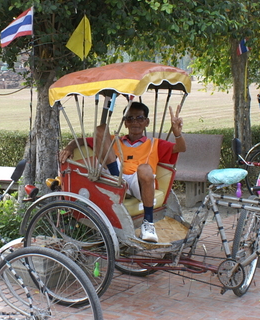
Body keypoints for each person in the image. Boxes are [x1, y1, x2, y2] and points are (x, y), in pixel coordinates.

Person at [58, 102, 185, 243]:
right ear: (125, 123)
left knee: (145, 168)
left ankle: (148, 223)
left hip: (139, 183)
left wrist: (177, 133)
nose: (134, 122)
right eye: (130, 119)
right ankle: (117, 181)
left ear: (147, 122)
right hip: (116, 176)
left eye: (140, 118)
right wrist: (70, 147)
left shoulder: (154, 143)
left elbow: (181, 148)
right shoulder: (115, 141)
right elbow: (82, 140)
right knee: (101, 128)